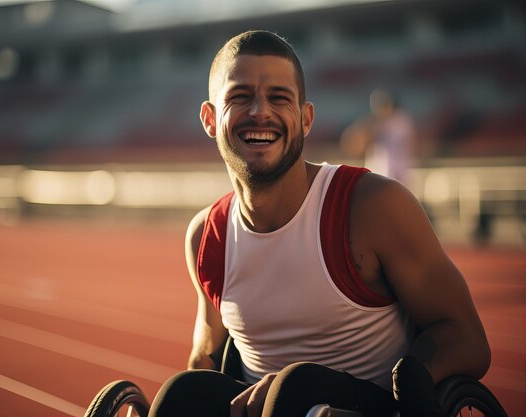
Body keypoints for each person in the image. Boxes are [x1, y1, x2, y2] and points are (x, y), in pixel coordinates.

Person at [148, 30, 490, 417]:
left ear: (306, 118)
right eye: (240, 97)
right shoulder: (207, 236)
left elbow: (467, 339)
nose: (261, 111)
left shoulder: (372, 207)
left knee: (295, 390)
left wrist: (409, 388)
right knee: (182, 393)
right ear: (210, 119)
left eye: (279, 97)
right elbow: (205, 357)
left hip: (366, 407)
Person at [340, 88, 416, 186]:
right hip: (380, 171)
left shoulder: (401, 121)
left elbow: (412, 144)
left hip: (400, 169)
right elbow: (351, 143)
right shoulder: (371, 123)